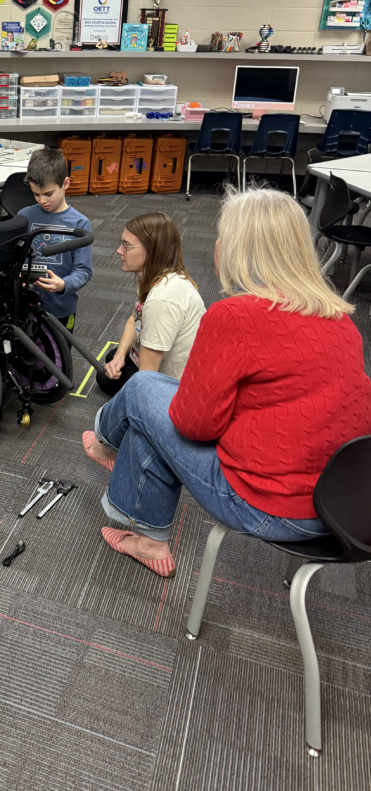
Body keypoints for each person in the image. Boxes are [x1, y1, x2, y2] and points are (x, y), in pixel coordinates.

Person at [86, 186, 371, 579]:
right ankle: (147, 535)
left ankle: (105, 442)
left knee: (141, 390)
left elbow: (194, 426)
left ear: (237, 249)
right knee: (147, 414)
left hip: (268, 506)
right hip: (344, 503)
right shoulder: (340, 319)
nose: (216, 244)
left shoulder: (234, 316)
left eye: (222, 235)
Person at [84, 213, 205, 470]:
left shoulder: (163, 299)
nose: (119, 251)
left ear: (152, 250)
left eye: (127, 246)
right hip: (157, 365)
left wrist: (109, 432)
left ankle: (113, 451)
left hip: (177, 389)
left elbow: (146, 382)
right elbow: (134, 318)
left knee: (132, 394)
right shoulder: (154, 276)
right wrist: (120, 357)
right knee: (109, 367)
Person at [18, 147, 92, 332]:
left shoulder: (80, 223)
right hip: (25, 305)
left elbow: (83, 270)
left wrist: (64, 285)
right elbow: (14, 255)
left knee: (58, 351)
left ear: (65, 183)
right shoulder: (24, 216)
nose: (42, 200)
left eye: (48, 194)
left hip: (60, 308)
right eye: (36, 194)